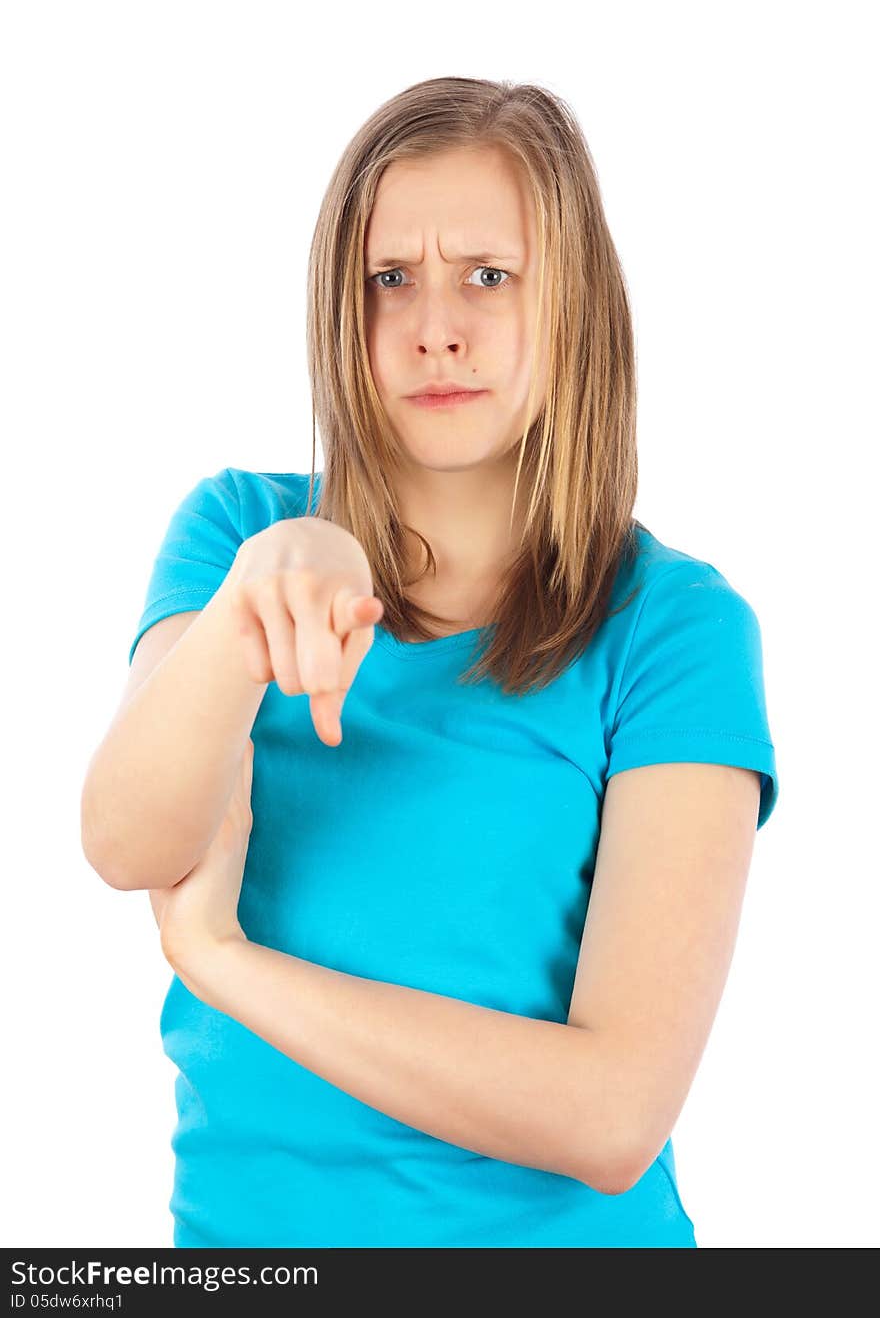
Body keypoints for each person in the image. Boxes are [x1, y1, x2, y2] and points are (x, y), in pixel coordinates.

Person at [81, 76, 779, 1248]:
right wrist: (257, 599)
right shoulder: (230, 533)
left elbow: (612, 1117)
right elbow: (126, 840)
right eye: (387, 279)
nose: (433, 326)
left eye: (487, 277)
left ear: (572, 307)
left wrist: (223, 961)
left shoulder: (676, 630)